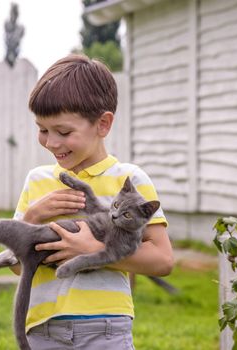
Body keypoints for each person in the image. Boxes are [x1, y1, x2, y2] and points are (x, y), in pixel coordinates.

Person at [11, 54, 174, 349]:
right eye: (42, 129)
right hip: (42, 330)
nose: (51, 142)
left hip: (106, 329)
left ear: (103, 124)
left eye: (63, 132)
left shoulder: (131, 180)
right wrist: (31, 219)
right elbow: (16, 268)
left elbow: (162, 260)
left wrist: (95, 250)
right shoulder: (37, 181)